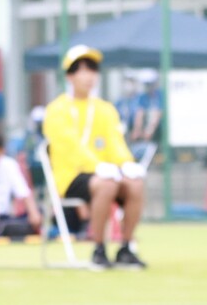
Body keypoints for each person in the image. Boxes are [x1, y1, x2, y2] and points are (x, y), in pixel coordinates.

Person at [43, 45, 147, 270]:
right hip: (71, 176)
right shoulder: (56, 109)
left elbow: (116, 143)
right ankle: (99, 248)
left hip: (106, 172)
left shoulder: (105, 109)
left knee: (135, 184)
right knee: (106, 185)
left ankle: (125, 248)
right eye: (82, 70)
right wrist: (97, 166)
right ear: (70, 75)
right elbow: (70, 146)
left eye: (92, 69)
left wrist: (127, 163)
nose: (89, 76)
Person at [131, 68, 162, 163]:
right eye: (146, 84)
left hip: (159, 132)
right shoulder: (143, 97)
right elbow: (139, 114)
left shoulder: (160, 95)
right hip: (147, 133)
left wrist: (149, 131)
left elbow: (158, 114)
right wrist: (137, 130)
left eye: (150, 84)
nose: (148, 86)